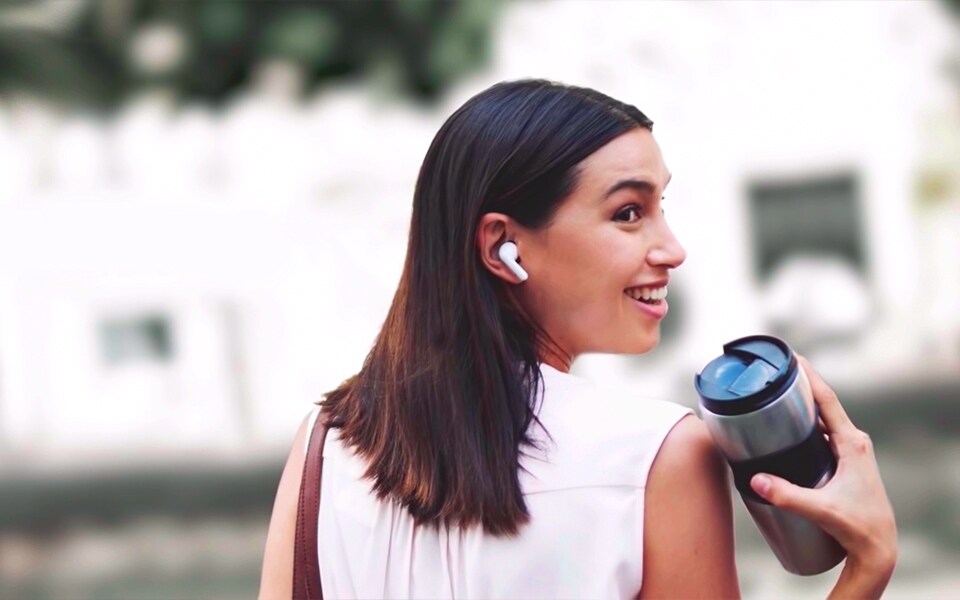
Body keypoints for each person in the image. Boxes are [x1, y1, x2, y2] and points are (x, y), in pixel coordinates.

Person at [259, 79, 897, 599]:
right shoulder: (660, 457)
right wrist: (866, 568)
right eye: (627, 213)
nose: (671, 250)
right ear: (500, 247)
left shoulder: (325, 445)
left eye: (660, 207)